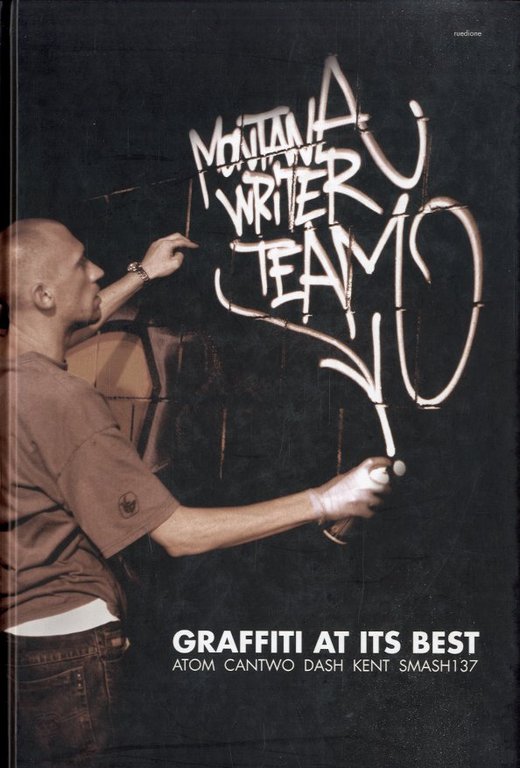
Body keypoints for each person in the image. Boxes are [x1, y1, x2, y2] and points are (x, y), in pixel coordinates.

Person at [0, 219, 391, 766]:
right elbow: (178, 535)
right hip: (68, 653)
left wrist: (143, 273)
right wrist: (323, 501)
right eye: (80, 264)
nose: (97, 270)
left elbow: (60, 327)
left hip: (22, 644)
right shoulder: (64, 402)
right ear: (44, 296)